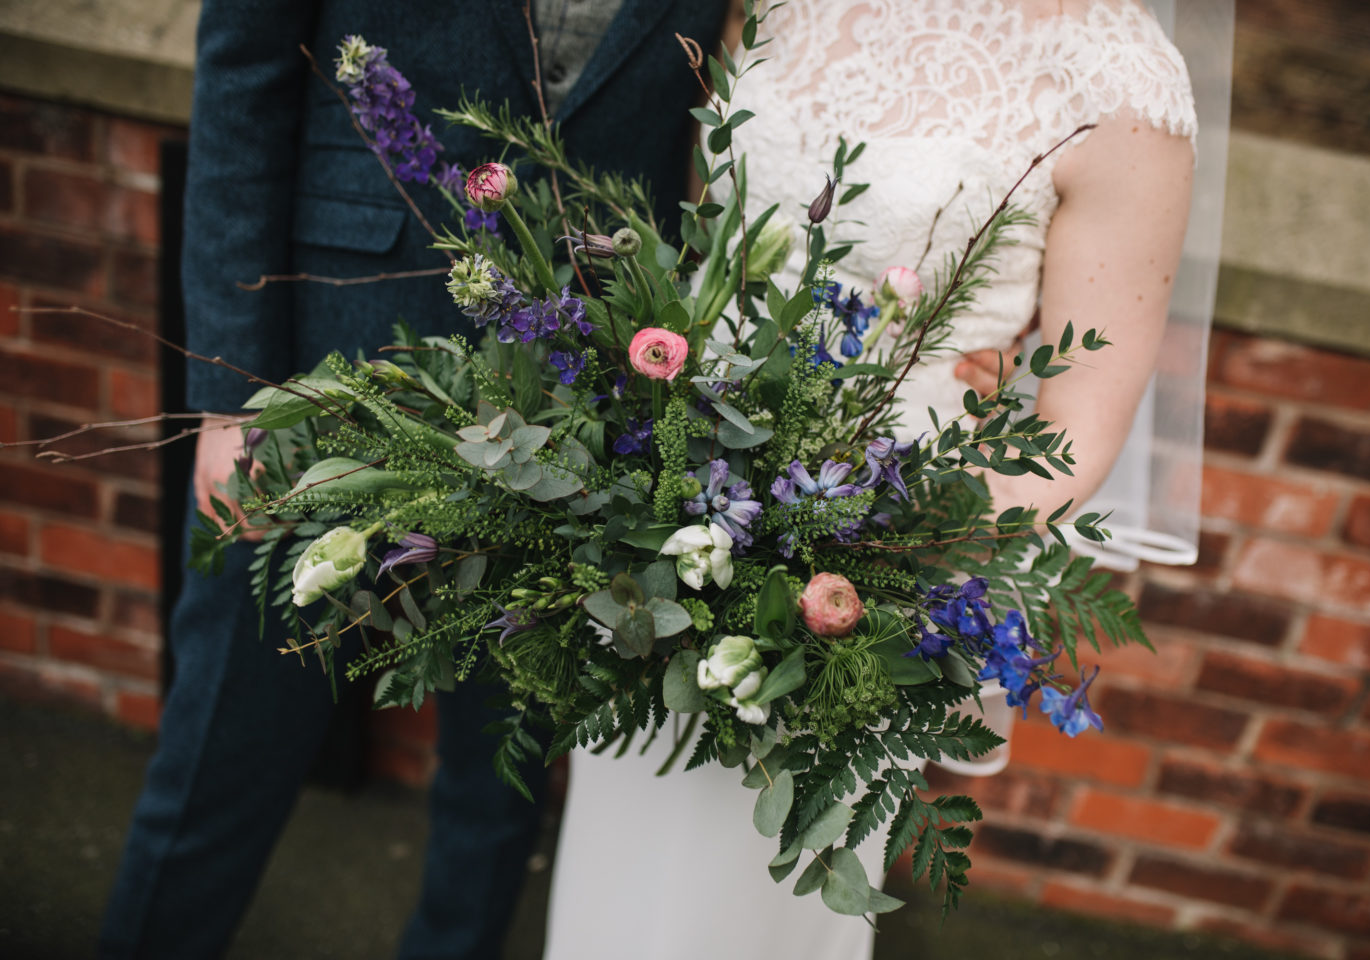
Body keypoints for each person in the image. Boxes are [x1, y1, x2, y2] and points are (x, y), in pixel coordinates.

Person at [542, 2, 1227, 958]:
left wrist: (889, 566)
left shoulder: (1119, 79)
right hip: (665, 502)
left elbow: (1078, 430)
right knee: (625, 850)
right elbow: (704, 241)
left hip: (874, 553)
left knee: (760, 881)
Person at [98, 2, 726, 957]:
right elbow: (242, 76)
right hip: (327, 361)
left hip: (579, 394)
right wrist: (230, 395)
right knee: (224, 747)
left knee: (500, 782)